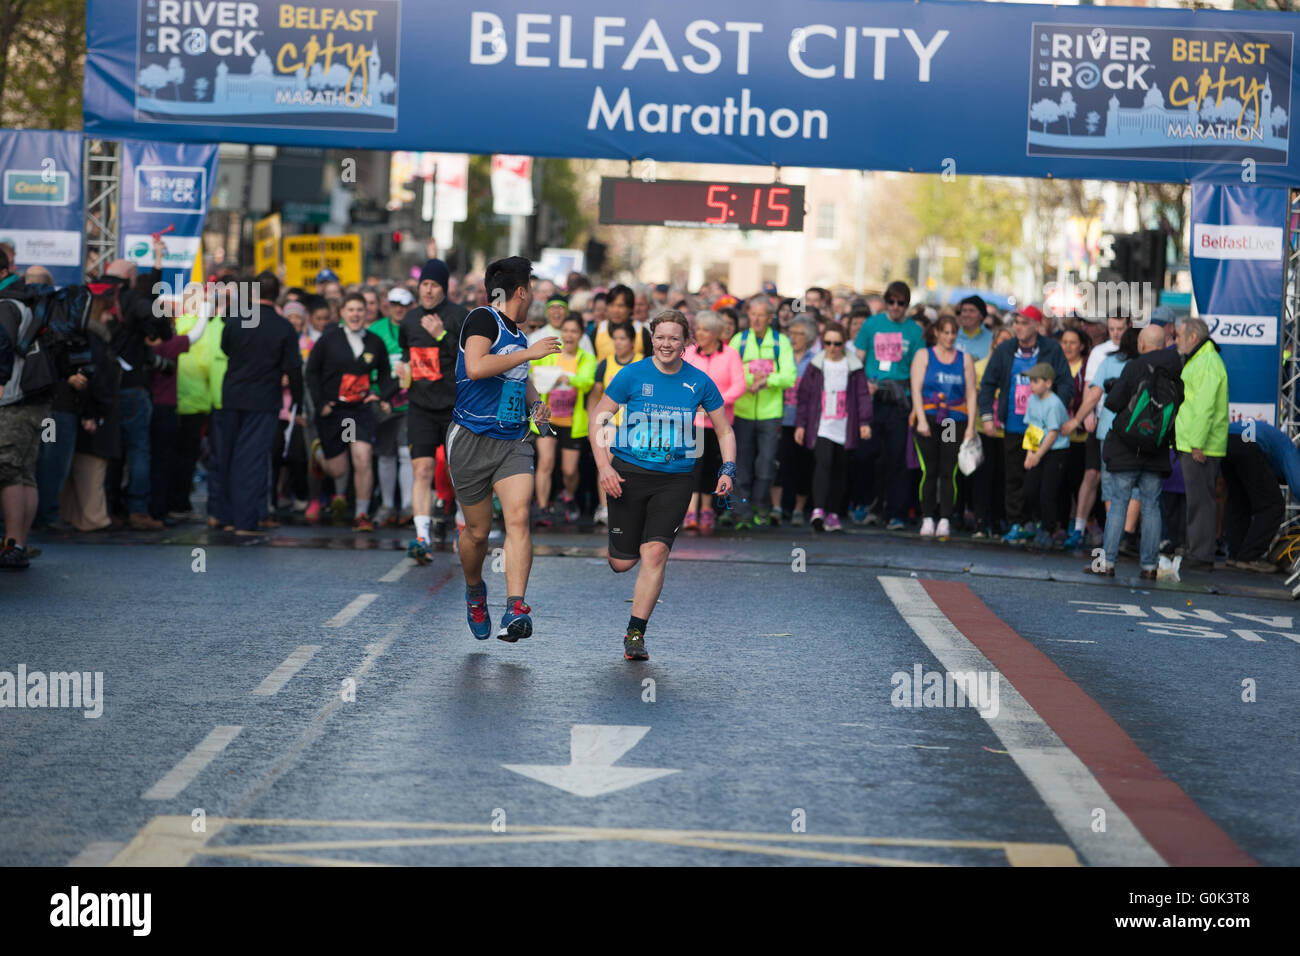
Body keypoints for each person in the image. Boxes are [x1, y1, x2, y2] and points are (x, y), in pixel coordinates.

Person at [589, 310, 734, 661]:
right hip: (627, 475)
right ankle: (633, 542)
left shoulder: (699, 382)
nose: (666, 343)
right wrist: (604, 466)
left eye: (674, 338)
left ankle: (635, 634)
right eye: (660, 337)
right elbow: (599, 418)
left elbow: (725, 430)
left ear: (686, 343)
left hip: (675, 479)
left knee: (655, 553)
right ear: (652, 339)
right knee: (621, 563)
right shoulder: (632, 375)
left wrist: (727, 468)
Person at [448, 256, 561, 642]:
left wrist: (537, 406)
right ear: (521, 291)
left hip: (512, 439)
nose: (534, 297)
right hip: (470, 439)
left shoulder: (518, 332)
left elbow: (518, 377)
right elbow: (477, 367)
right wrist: (530, 353)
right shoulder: (482, 318)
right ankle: (476, 589)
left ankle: (516, 607)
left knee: (517, 517)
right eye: (532, 289)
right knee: (478, 533)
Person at [1089, 324, 1184, 578]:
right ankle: (1150, 566)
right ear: (1164, 343)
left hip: (1127, 447)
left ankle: (1107, 562)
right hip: (1157, 448)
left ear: (1142, 343)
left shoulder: (1135, 366)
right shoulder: (1176, 370)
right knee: (1151, 506)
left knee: (1119, 503)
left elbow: (1113, 403)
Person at [214, 273, 303, 535]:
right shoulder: (283, 327)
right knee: (251, 461)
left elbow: (225, 347)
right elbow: (293, 368)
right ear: (277, 295)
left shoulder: (236, 319)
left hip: (231, 395)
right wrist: (298, 400)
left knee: (226, 456)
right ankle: (245, 521)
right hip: (263, 400)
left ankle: (224, 516)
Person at [305, 292, 397, 533]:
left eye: (360, 310)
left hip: (359, 410)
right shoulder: (329, 339)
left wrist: (382, 395)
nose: (356, 314)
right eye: (351, 310)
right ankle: (320, 457)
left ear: (366, 312)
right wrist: (320, 402)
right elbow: (312, 372)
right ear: (343, 313)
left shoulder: (375, 342)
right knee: (338, 470)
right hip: (334, 411)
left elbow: (387, 373)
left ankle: (361, 514)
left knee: (363, 457)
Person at [978, 310, 1073, 543]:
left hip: (1043, 429)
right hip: (1014, 425)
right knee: (1014, 478)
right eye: (1016, 323)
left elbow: (1066, 384)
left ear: (1037, 325)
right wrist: (988, 416)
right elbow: (988, 383)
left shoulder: (1051, 349)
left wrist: (1054, 410)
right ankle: (1017, 523)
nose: (1018, 327)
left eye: (1024, 323)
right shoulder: (1004, 350)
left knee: (1040, 482)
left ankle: (1041, 523)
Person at [404, 260, 469, 560]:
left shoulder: (459, 316)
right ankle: (421, 535)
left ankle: (460, 525)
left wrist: (443, 336)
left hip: (454, 407)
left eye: (434, 285)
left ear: (444, 288)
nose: (428, 290)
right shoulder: (410, 319)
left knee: (458, 471)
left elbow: (471, 360)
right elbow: (407, 356)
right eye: (424, 285)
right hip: (420, 406)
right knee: (423, 469)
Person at [854, 281, 923, 530]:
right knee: (865, 454)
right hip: (872, 399)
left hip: (899, 401)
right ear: (885, 302)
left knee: (897, 459)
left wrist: (916, 407)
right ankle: (865, 503)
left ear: (907, 304)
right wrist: (863, 386)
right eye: (891, 301)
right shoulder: (871, 325)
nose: (895, 307)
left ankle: (896, 512)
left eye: (901, 303)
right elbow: (858, 360)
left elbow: (918, 369)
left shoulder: (914, 331)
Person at [794, 322, 872, 532]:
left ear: (844, 343)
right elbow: (804, 396)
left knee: (840, 469)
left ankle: (834, 513)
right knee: (823, 463)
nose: (832, 347)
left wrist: (864, 422)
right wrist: (800, 425)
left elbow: (863, 395)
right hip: (821, 425)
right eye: (827, 342)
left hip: (845, 425)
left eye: (837, 343)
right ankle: (818, 509)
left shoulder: (853, 366)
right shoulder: (816, 365)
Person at [1063, 315, 1131, 550]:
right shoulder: (1100, 353)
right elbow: (1091, 390)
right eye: (1112, 328)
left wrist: (1075, 421)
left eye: (1120, 328)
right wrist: (1087, 415)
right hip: (1101, 422)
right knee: (1093, 476)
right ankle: (1081, 527)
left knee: (1120, 482)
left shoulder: (1134, 352)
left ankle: (1119, 536)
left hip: (1125, 428)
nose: (1116, 333)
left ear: (1128, 327)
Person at [910, 315, 978, 539]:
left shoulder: (964, 359)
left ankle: (945, 518)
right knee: (929, 470)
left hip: (952, 420)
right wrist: (920, 419)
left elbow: (970, 392)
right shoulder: (924, 355)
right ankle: (928, 516)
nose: (949, 337)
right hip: (929, 416)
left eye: (953, 333)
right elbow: (916, 389)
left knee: (948, 469)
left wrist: (970, 426)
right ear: (937, 333)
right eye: (945, 332)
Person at [729, 295, 794, 528]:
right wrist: (749, 381)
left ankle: (760, 506)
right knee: (743, 464)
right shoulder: (739, 340)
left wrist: (766, 381)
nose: (756, 319)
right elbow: (731, 373)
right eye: (753, 314)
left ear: (770, 317)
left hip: (770, 413)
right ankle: (742, 511)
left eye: (761, 315)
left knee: (766, 464)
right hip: (743, 412)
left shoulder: (780, 342)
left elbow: (789, 376)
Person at [1174, 317, 1229, 572]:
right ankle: (1198, 551)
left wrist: (1197, 444)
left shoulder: (1206, 361)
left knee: (1200, 501)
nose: (1176, 340)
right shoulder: (1204, 358)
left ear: (1192, 337)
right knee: (1199, 500)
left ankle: (1201, 555)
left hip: (1200, 445)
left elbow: (1204, 407)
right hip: (1197, 443)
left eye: (1179, 335)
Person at [682, 310, 745, 533]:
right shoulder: (689, 353)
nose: (700, 333)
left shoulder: (730, 355)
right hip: (693, 422)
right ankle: (690, 510)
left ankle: (707, 510)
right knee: (692, 466)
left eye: (706, 329)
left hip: (719, 423)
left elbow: (739, 385)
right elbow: (678, 379)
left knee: (711, 467)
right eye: (698, 328)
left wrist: (715, 405)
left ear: (717, 333)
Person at [531, 313, 596, 525]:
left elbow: (586, 382)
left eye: (573, 331)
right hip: (547, 418)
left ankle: (567, 496)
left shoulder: (587, 358)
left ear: (580, 334)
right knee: (546, 462)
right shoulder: (551, 354)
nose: (569, 335)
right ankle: (542, 509)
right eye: (565, 330)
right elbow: (535, 371)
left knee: (569, 470)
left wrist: (565, 377)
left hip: (573, 422)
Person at [367, 287, 413, 528]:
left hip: (411, 401)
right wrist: (376, 393)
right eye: (395, 303)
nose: (399, 308)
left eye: (404, 304)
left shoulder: (416, 327)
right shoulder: (374, 330)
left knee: (406, 452)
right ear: (387, 304)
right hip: (383, 401)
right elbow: (366, 365)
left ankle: (407, 504)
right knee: (385, 453)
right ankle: (386, 505)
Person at [587, 321, 640, 527]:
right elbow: (594, 397)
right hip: (609, 423)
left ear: (632, 341)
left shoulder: (641, 363)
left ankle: (630, 507)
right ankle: (605, 507)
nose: (618, 343)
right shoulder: (605, 364)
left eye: (622, 338)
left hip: (634, 424)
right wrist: (593, 425)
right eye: (615, 339)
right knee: (606, 460)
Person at [1223, 420, 1288, 573]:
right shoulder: (1288, 447)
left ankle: (1235, 554)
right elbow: (1297, 482)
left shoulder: (1272, 439)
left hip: (1225, 440)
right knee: (1273, 505)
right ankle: (1249, 557)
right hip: (1247, 444)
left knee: (1239, 501)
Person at [1020, 363, 1071, 548]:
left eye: (1035, 381)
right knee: (1030, 487)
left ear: (1048, 383)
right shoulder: (1033, 400)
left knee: (1047, 492)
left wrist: (1038, 455)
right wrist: (1030, 453)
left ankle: (1050, 528)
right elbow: (1033, 427)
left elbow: (1053, 432)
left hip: (1055, 451)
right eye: (1030, 381)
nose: (1031, 385)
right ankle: (1032, 521)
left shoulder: (1054, 403)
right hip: (1038, 449)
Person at [773, 315, 817, 527]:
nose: (793, 338)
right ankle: (777, 507)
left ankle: (799, 510)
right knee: (779, 464)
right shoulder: (782, 354)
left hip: (805, 422)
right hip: (780, 416)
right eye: (791, 333)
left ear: (809, 337)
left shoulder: (816, 359)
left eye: (799, 334)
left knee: (803, 465)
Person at [1056, 325, 1091, 548]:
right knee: (1059, 482)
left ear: (1082, 346)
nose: (1068, 347)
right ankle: (1058, 524)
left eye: (1073, 342)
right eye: (1064, 342)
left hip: (1079, 435)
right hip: (1056, 433)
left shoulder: (1087, 367)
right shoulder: (1056, 365)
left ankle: (1077, 523)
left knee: (1077, 480)